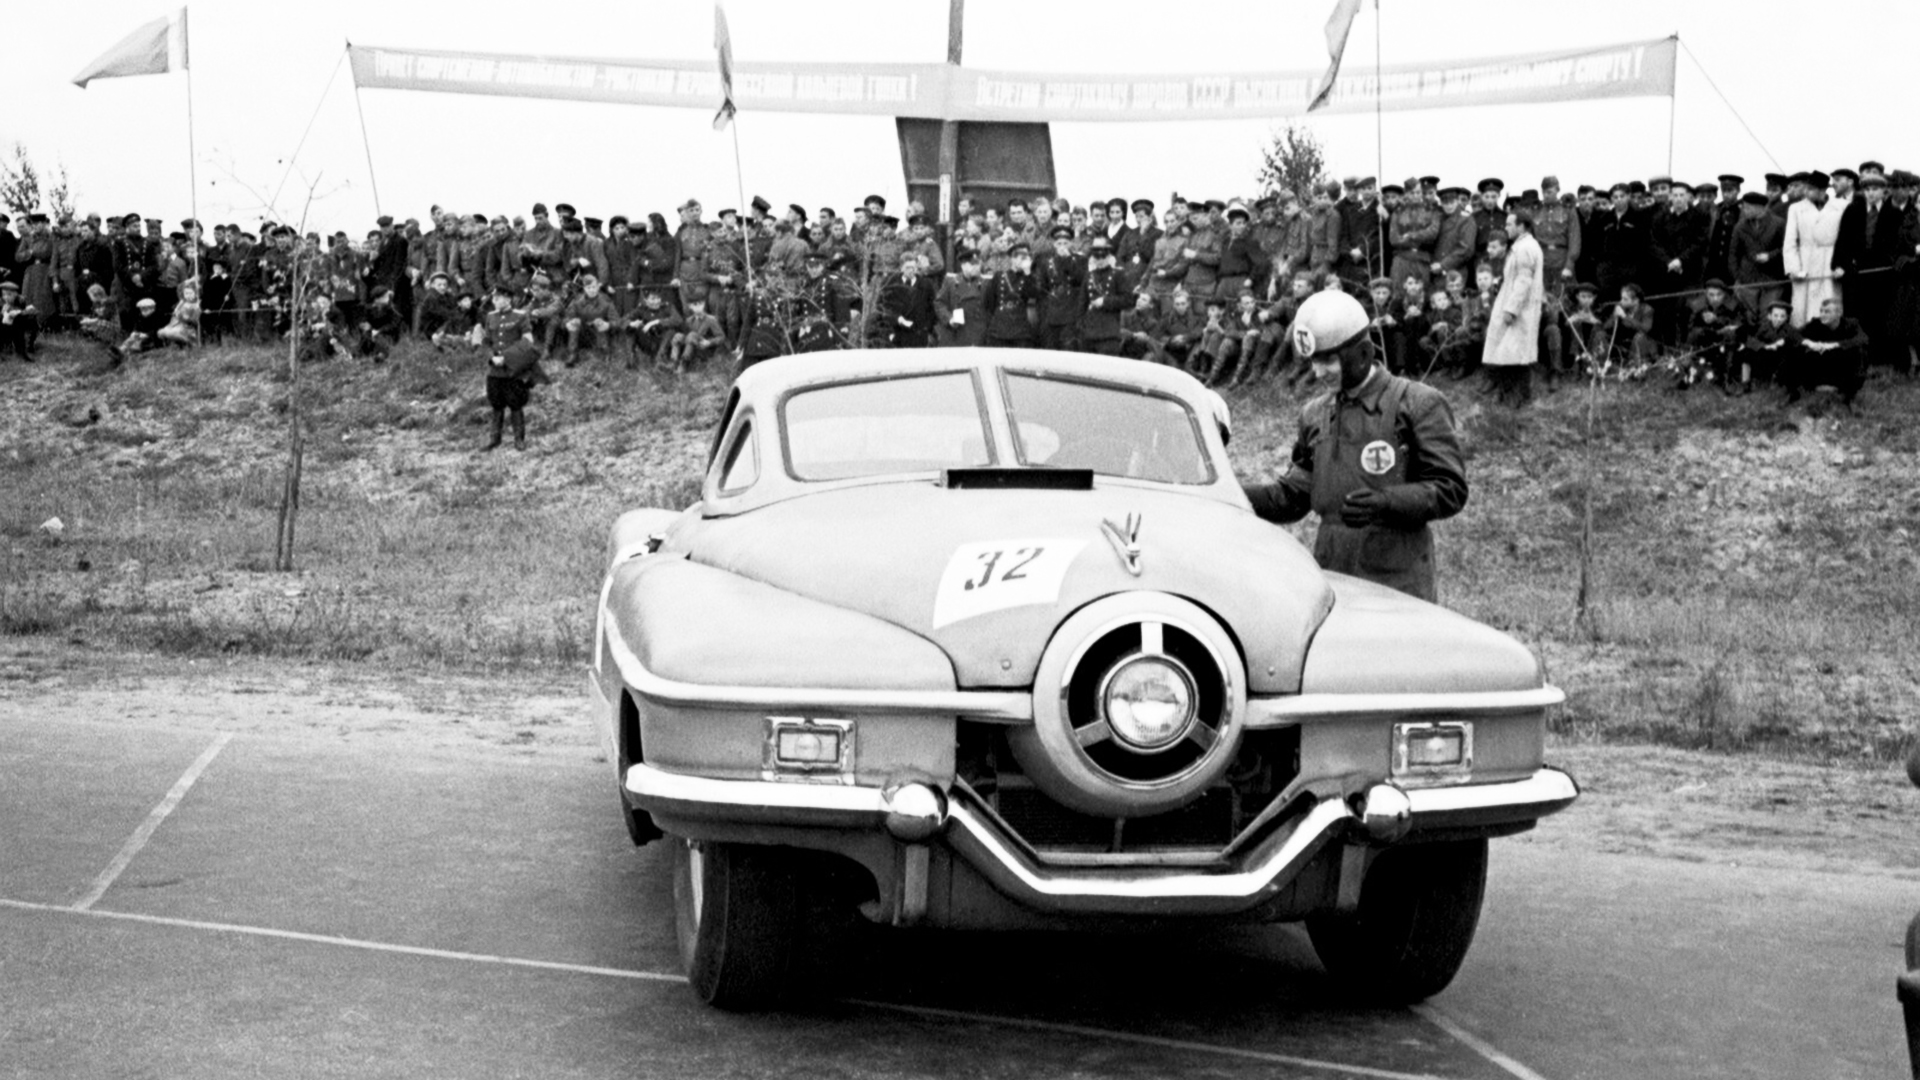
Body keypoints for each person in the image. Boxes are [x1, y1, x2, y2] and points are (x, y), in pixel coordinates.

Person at [1241, 289, 1468, 604]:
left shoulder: (1417, 403)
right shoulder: (1314, 414)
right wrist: (1229, 494)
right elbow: (1291, 498)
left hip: (1397, 581)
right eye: (1313, 361)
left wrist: (1387, 502)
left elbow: (1450, 488)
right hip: (1334, 574)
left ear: (1361, 354)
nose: (1318, 372)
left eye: (1327, 360)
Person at [1482, 209, 1545, 405]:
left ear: (1522, 226)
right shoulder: (1521, 246)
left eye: (1510, 224)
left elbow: (1523, 282)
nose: (1506, 228)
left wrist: (1511, 309)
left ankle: (1517, 396)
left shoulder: (1524, 248)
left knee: (1515, 353)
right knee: (1510, 351)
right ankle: (1509, 394)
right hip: (1516, 305)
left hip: (1520, 309)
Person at [1784, 171, 1845, 324]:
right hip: (1806, 262)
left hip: (1830, 261)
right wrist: (1794, 269)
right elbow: (1790, 241)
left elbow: (1846, 239)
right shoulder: (1796, 208)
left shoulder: (1841, 206)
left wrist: (1841, 264)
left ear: (1822, 190)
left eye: (1811, 189)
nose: (1807, 192)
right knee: (1802, 310)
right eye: (1807, 188)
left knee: (1829, 302)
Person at [1785, 296, 1867, 408]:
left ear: (1838, 313)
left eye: (1827, 312)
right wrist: (1809, 343)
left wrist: (1834, 345)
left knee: (1859, 351)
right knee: (1794, 347)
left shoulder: (1851, 324)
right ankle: (1795, 392)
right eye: (1821, 311)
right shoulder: (1816, 323)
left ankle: (1849, 395)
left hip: (1841, 368)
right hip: (1820, 368)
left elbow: (1863, 339)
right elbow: (1793, 334)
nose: (1822, 315)